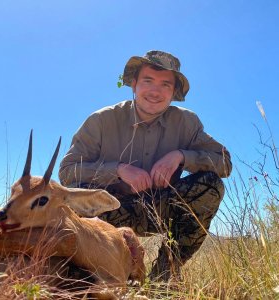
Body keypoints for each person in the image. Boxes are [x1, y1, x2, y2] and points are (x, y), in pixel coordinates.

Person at [59, 50, 232, 282]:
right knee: (74, 198)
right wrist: (118, 170)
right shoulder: (101, 121)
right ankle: (87, 276)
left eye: (165, 85)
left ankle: (164, 275)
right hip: (109, 212)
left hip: (162, 208)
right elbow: (67, 172)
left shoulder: (186, 122)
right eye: (148, 81)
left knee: (210, 185)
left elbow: (225, 163)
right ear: (134, 84)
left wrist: (181, 156)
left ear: (173, 92)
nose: (155, 91)